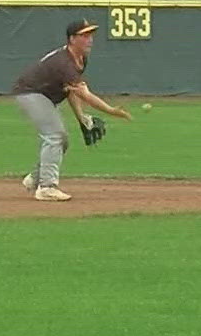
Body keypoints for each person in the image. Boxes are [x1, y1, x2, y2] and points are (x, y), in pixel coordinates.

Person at [11, 18, 131, 202]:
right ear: (72, 39)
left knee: (62, 140)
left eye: (91, 35)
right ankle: (47, 187)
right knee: (54, 136)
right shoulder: (64, 63)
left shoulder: (80, 59)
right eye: (84, 35)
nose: (90, 39)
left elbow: (71, 91)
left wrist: (81, 117)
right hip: (30, 94)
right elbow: (84, 94)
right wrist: (111, 110)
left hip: (45, 96)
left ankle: (36, 178)